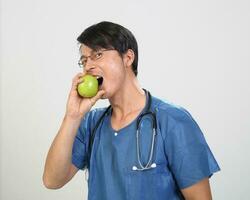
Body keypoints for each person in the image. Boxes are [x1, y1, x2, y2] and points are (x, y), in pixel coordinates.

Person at [43, 21, 220, 200]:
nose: (88, 66)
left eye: (97, 54)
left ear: (128, 58)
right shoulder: (91, 123)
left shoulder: (172, 120)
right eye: (84, 60)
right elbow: (52, 180)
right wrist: (72, 116)